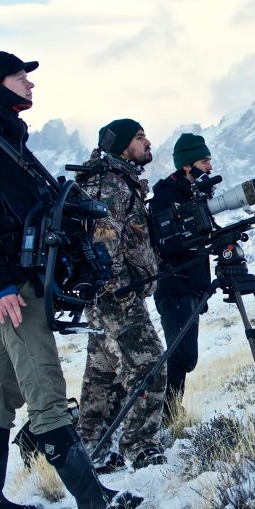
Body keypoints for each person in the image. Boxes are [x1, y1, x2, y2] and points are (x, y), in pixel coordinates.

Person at [0, 51, 142, 509]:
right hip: (12, 288)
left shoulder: (3, 136)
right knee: (46, 391)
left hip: (24, 282)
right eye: (19, 77)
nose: (30, 85)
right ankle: (92, 499)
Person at [74, 119, 168, 471]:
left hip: (104, 297)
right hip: (116, 297)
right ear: (124, 145)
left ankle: (91, 447)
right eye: (140, 137)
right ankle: (140, 446)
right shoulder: (112, 183)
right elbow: (102, 240)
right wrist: (116, 289)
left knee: (102, 374)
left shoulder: (108, 178)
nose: (147, 142)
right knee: (149, 367)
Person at [149, 134, 216, 422]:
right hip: (174, 285)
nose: (210, 167)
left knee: (184, 355)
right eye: (204, 161)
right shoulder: (165, 198)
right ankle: (166, 414)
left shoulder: (195, 195)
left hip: (191, 285)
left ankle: (169, 411)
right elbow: (168, 243)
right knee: (181, 355)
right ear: (187, 167)